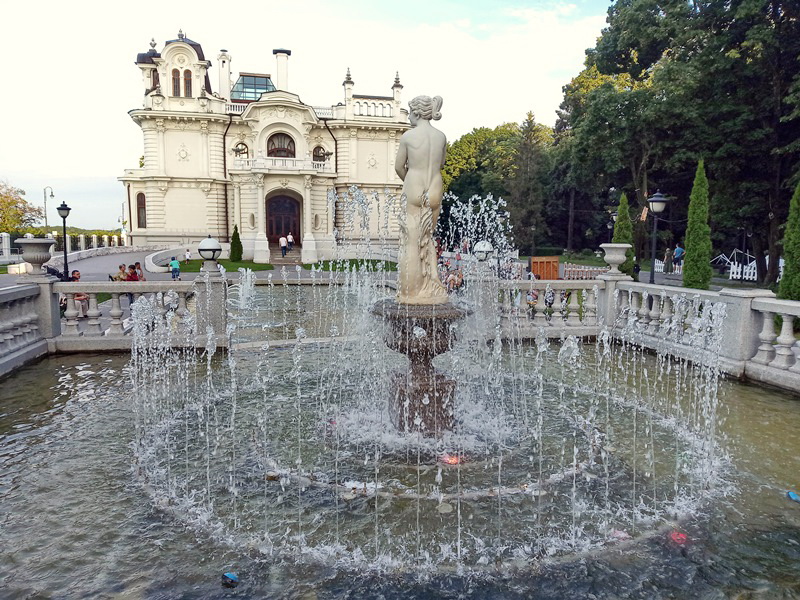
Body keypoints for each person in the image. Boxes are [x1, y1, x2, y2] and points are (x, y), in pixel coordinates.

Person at [394, 95, 449, 304]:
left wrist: (408, 181)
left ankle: (411, 291)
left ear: (417, 113)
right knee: (428, 240)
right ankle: (432, 283)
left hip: (414, 185)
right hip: (435, 187)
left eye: (409, 112)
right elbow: (441, 163)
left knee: (411, 242)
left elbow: (399, 166)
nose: (408, 117)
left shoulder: (408, 137)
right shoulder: (441, 136)